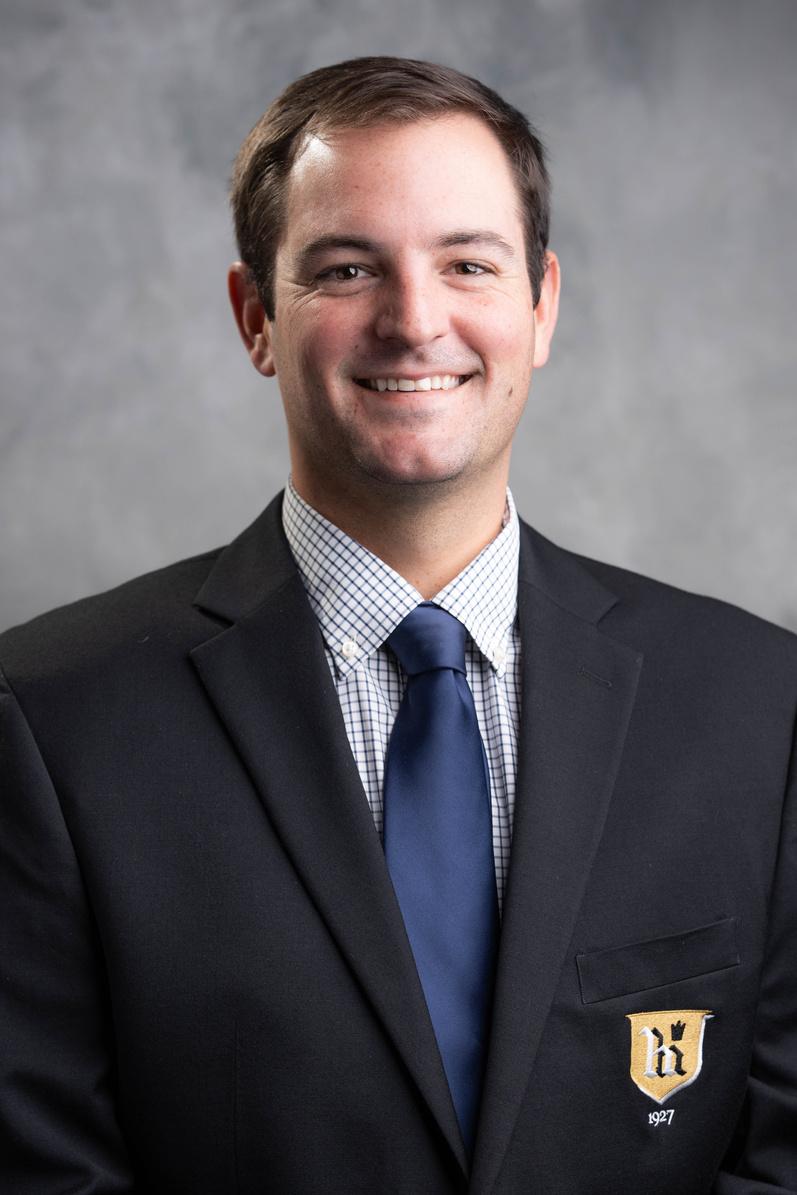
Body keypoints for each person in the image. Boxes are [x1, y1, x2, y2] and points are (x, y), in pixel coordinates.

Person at [0, 56, 795, 1195]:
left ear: (540, 305)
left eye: (467, 263)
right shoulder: (49, 720)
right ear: (256, 317)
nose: (414, 321)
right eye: (346, 269)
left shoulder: (757, 705)